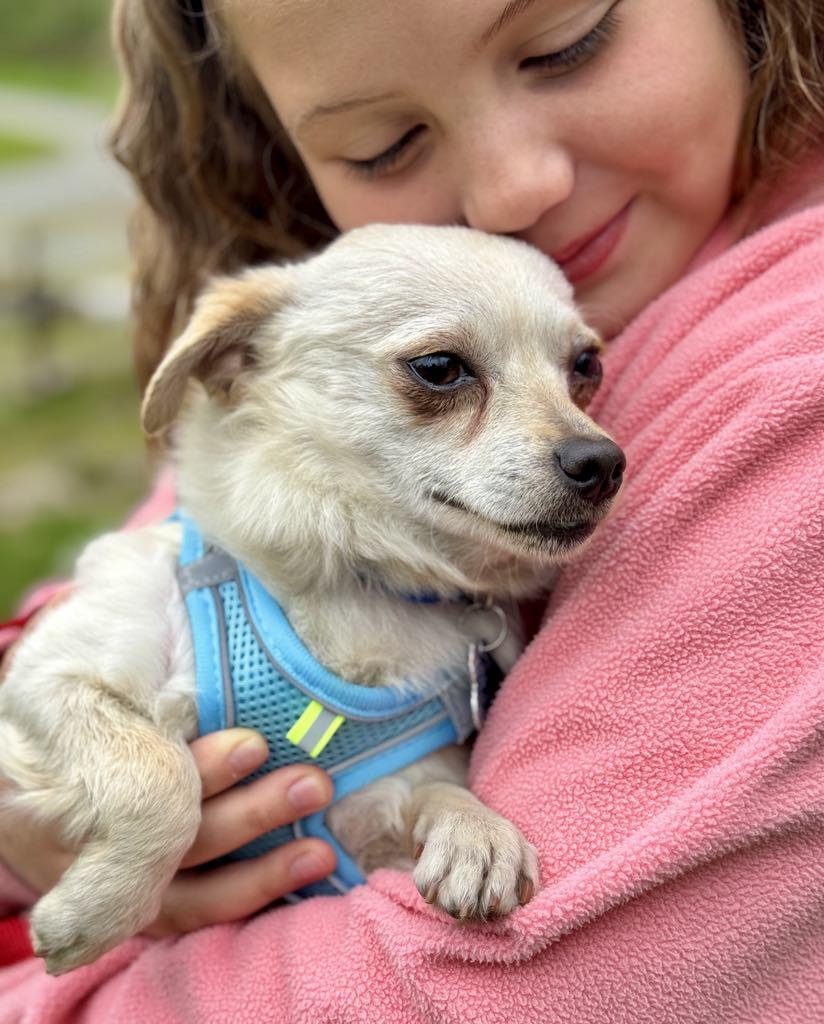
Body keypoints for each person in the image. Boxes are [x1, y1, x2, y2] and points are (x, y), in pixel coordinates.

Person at [1, 0, 823, 1019]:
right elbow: (73, 640)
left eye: (567, 44)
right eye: (380, 146)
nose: (511, 195)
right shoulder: (291, 409)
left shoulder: (788, 399)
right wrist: (31, 829)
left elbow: (514, 976)